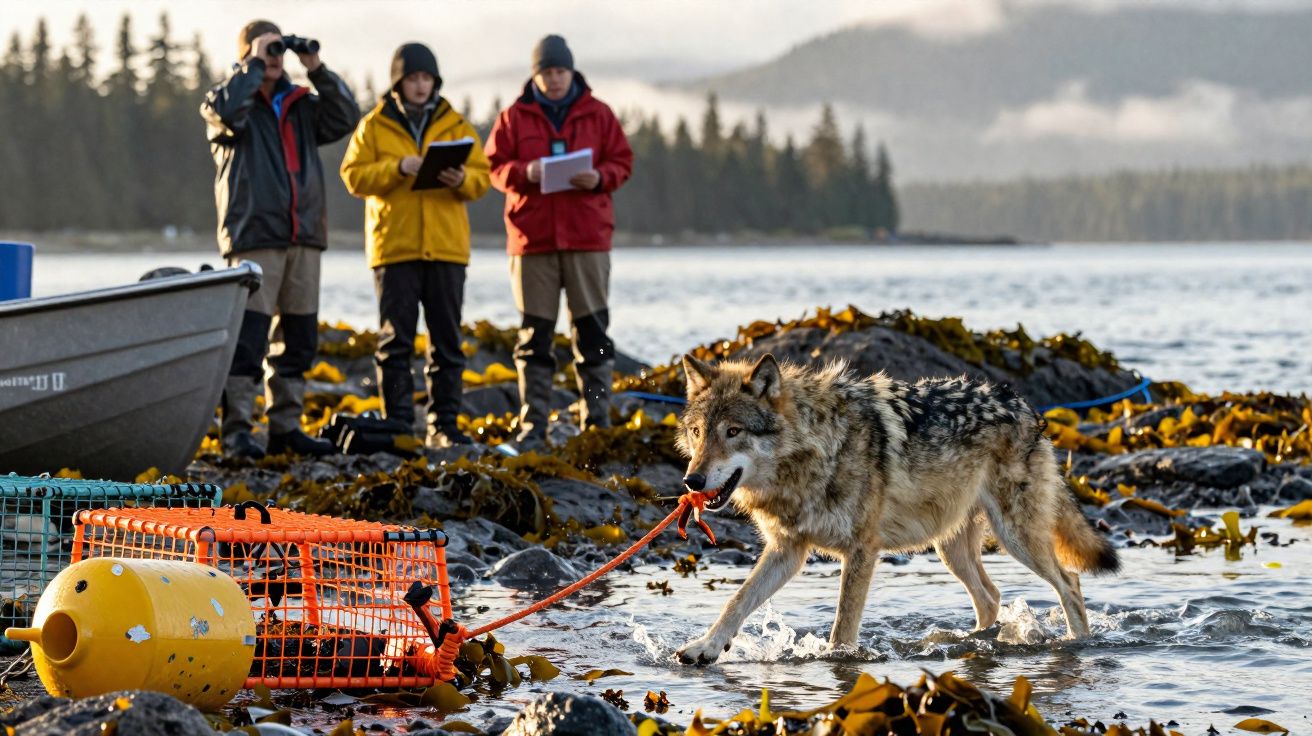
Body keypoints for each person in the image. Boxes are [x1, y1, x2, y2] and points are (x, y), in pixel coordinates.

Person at [201, 20, 359, 459]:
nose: (275, 58)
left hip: (304, 235)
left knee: (299, 337)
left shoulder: (302, 106)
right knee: (248, 338)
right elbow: (227, 112)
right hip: (255, 236)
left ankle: (286, 427)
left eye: (278, 50)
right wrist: (252, 64)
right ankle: (237, 431)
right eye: (266, 50)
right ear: (247, 54)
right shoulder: (228, 104)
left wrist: (316, 67)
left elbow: (347, 116)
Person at [486, 35, 633, 450]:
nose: (554, 79)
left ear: (572, 72)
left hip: (587, 239)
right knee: (535, 337)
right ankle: (533, 425)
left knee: (593, 334)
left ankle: (597, 421)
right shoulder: (513, 117)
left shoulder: (599, 114)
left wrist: (600, 177)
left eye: (560, 71)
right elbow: (494, 168)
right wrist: (525, 172)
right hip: (533, 240)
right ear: (536, 74)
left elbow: (622, 161)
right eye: (547, 72)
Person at [340, 43, 491, 447]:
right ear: (399, 83)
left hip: (446, 249)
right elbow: (352, 176)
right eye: (413, 79)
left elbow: (482, 178)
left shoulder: (457, 124)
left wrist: (462, 180)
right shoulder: (373, 125)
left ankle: (444, 425)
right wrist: (396, 167)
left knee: (447, 343)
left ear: (435, 82)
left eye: (426, 78)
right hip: (395, 249)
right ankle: (400, 425)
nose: (420, 86)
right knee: (396, 343)